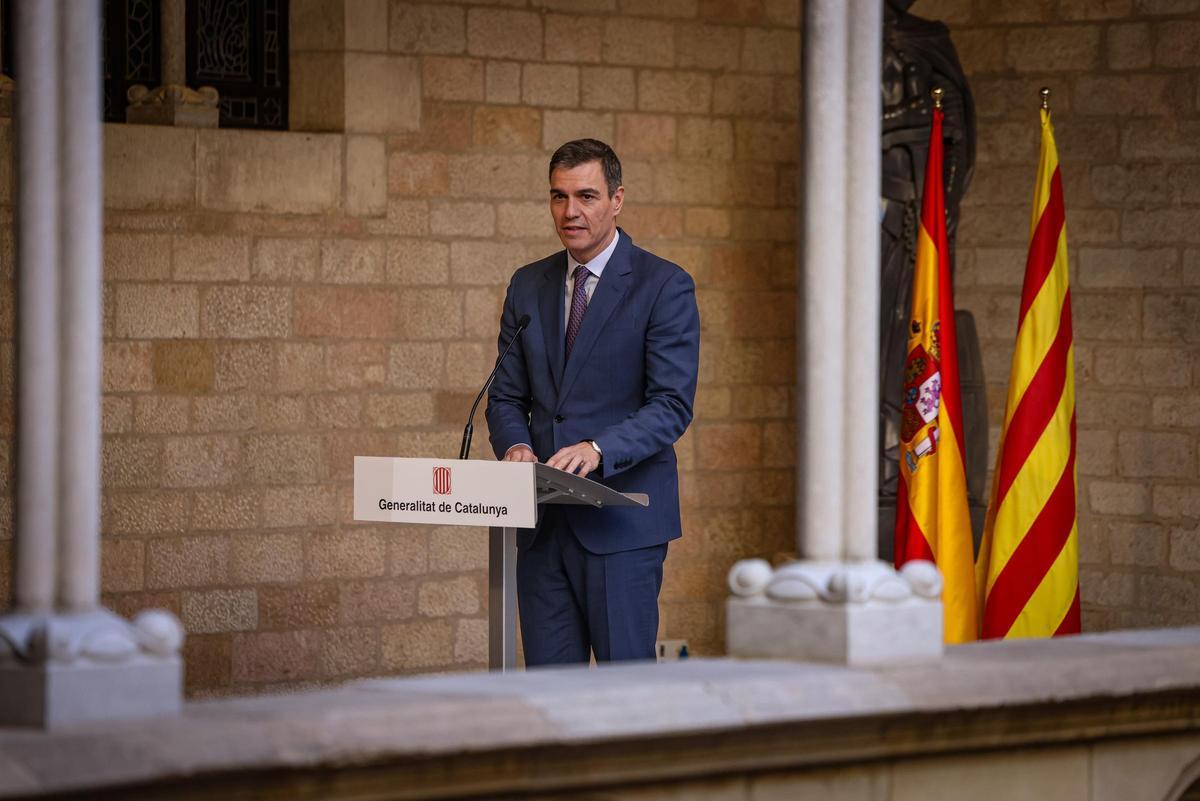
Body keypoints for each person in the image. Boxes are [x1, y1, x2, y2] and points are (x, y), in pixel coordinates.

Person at [485, 139, 700, 667]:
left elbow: (672, 403)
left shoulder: (663, 285)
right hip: (542, 526)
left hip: (621, 528)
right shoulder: (527, 284)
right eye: (558, 197)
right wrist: (514, 444)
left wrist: (598, 447)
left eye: (586, 196)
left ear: (617, 199)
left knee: (623, 696)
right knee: (550, 691)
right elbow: (506, 393)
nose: (570, 212)